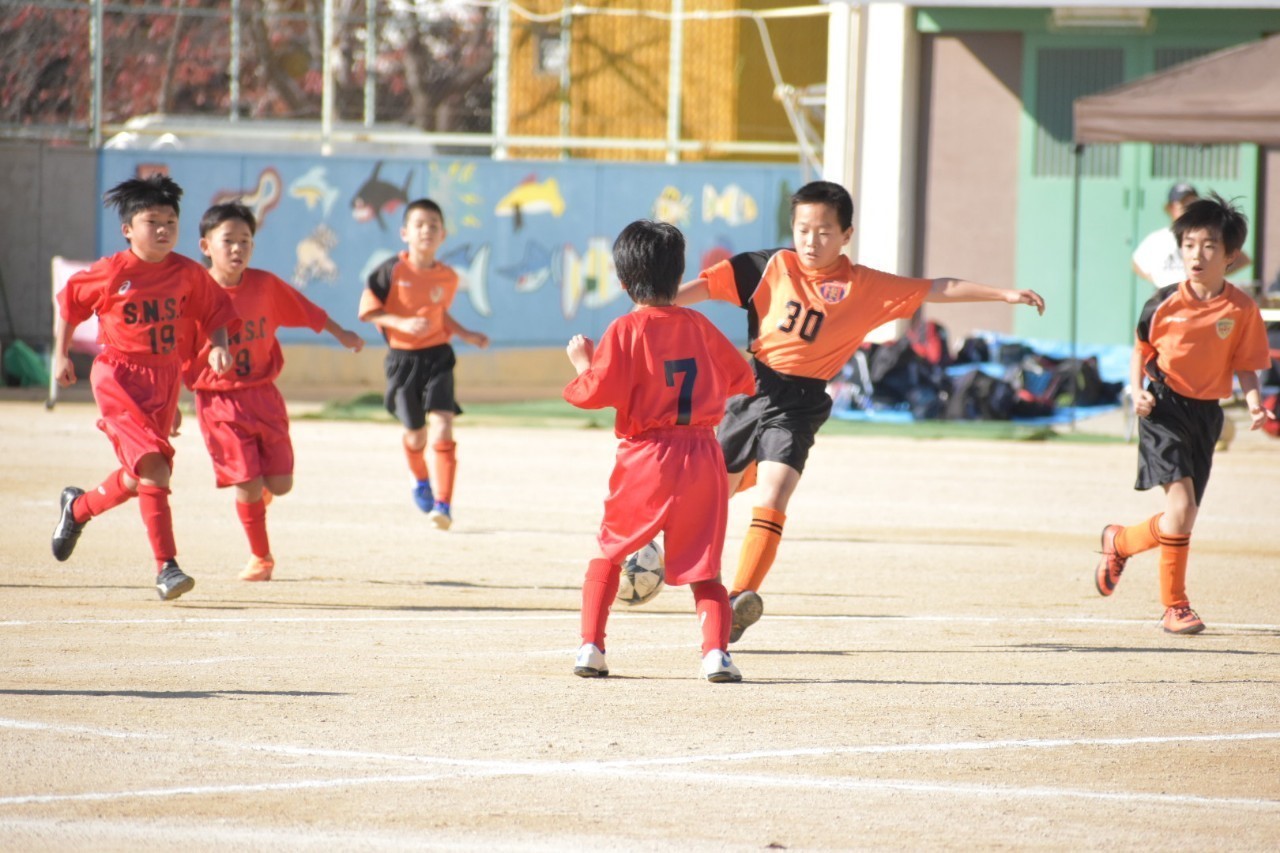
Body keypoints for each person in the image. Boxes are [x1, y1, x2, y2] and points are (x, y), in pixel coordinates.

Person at [676, 180, 1046, 643]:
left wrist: (1004, 295)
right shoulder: (766, 265)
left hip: (801, 404)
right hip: (750, 390)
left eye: (825, 231)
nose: (812, 241)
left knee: (774, 495)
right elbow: (705, 288)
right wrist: (658, 301)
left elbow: (937, 287)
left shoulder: (865, 286)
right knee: (707, 499)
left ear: (847, 234)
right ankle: (649, 558)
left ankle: (739, 600)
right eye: (804, 229)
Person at [564, 220, 756, 682]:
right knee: (704, 566)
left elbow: (594, 392)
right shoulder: (702, 326)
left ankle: (592, 647)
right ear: (679, 274)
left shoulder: (626, 328)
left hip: (646, 456)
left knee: (610, 552)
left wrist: (583, 363)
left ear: (623, 281)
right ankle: (715, 655)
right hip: (703, 457)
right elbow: (741, 379)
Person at [50, 174, 239, 601]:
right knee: (156, 468)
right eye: (152, 222)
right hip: (118, 375)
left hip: (164, 377)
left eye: (170, 223)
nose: (162, 231)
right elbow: (68, 303)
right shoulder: (113, 271)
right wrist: (60, 354)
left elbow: (215, 313)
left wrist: (218, 348)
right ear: (128, 230)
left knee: (141, 478)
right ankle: (166, 568)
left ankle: (78, 509)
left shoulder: (188, 273)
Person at [1095, 194, 1273, 634]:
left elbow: (1246, 364)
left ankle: (1119, 542)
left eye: (1209, 246)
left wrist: (1252, 400)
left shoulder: (1241, 309)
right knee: (1182, 505)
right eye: (1190, 245)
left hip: (1207, 415)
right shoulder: (1162, 303)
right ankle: (1175, 606)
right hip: (1163, 408)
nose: (1197, 255)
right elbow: (1141, 351)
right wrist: (1137, 393)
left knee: (1183, 516)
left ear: (1230, 256)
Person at [186, 202, 365, 581]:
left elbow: (308, 311)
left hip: (264, 396)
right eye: (228, 240)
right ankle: (261, 557)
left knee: (280, 485)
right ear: (206, 246)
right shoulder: (193, 294)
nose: (237, 248)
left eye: (245, 241)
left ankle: (256, 500)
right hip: (219, 402)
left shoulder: (265, 285)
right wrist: (170, 402)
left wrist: (342, 334)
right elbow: (172, 353)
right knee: (248, 484)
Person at [358, 198, 489, 530]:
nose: (426, 230)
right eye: (419, 224)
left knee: (443, 424)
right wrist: (400, 324)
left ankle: (443, 504)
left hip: (438, 356)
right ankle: (420, 480)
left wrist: (465, 333)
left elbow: (439, 314)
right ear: (405, 232)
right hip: (403, 362)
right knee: (416, 438)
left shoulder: (447, 278)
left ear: (443, 234)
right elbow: (368, 311)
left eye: (433, 225)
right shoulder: (389, 271)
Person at [1132, 183, 1252, 288]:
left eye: (1192, 203)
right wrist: (1155, 279)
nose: (1187, 208)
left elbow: (1242, 259)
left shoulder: (1207, 233)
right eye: (1182, 204)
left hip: (1199, 296)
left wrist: (1215, 271)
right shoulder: (1158, 239)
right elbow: (1137, 263)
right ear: (1170, 208)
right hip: (1168, 296)